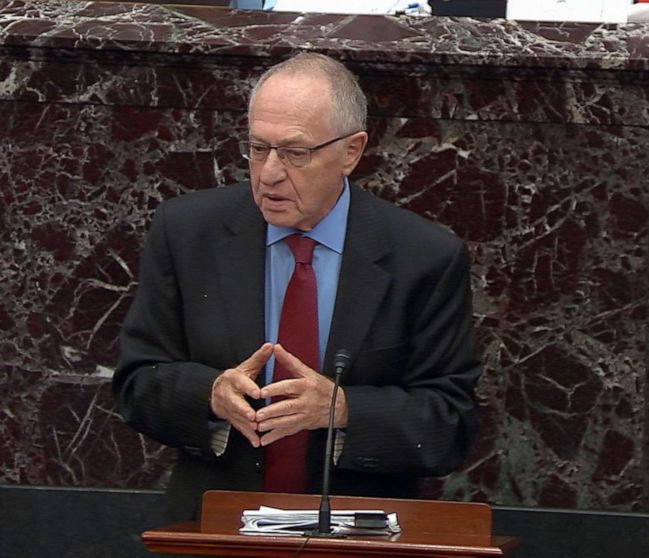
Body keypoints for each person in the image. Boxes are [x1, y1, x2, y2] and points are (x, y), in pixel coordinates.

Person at [113, 52, 482, 525]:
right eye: (258, 148)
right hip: (212, 530)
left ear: (351, 151)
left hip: (357, 537)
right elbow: (137, 380)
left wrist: (343, 409)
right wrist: (210, 393)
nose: (269, 173)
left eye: (294, 152)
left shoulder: (424, 257)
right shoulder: (187, 233)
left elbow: (451, 422)